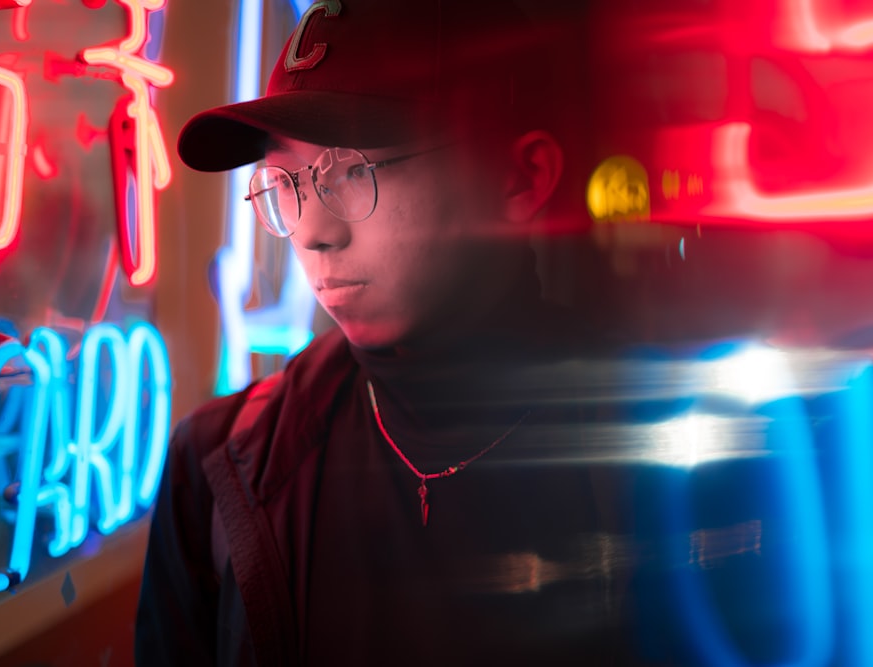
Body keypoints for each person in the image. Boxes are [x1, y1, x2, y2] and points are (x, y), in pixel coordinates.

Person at [135, 1, 652, 665]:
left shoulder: (663, 454)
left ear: (520, 178)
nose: (313, 230)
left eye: (353, 170)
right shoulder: (219, 465)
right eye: (284, 182)